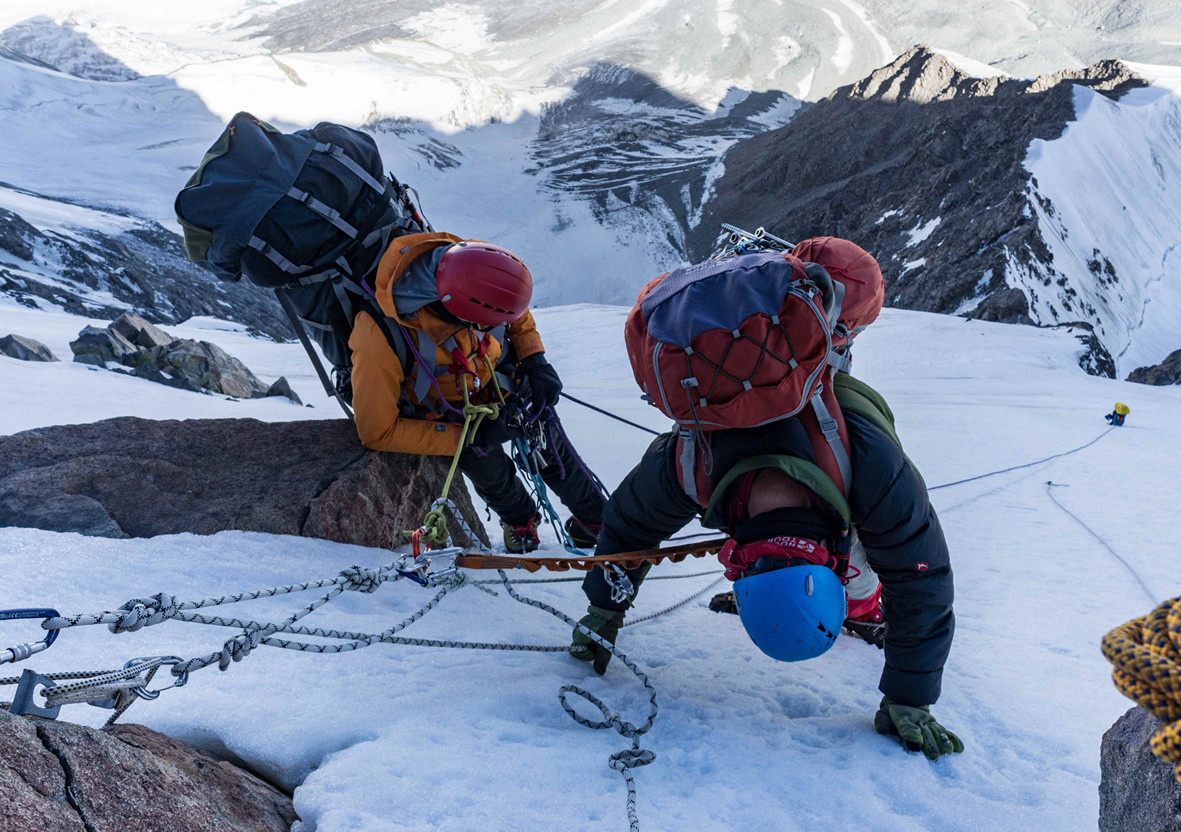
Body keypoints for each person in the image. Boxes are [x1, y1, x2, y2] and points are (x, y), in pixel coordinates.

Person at [569, 237, 961, 760]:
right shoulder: (697, 464)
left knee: (874, 550)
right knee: (880, 550)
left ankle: (861, 607)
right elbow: (919, 576)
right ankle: (864, 609)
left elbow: (628, 527)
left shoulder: (695, 464)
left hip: (832, 445)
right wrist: (909, 698)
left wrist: (605, 610)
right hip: (822, 436)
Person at [349, 231, 606, 552]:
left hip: (498, 381)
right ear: (461, 314)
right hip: (452, 415)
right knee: (490, 471)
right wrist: (467, 438)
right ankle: (520, 520)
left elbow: (512, 305)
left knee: (550, 450)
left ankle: (595, 519)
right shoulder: (377, 335)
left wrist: (534, 357)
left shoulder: (468, 266)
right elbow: (376, 432)